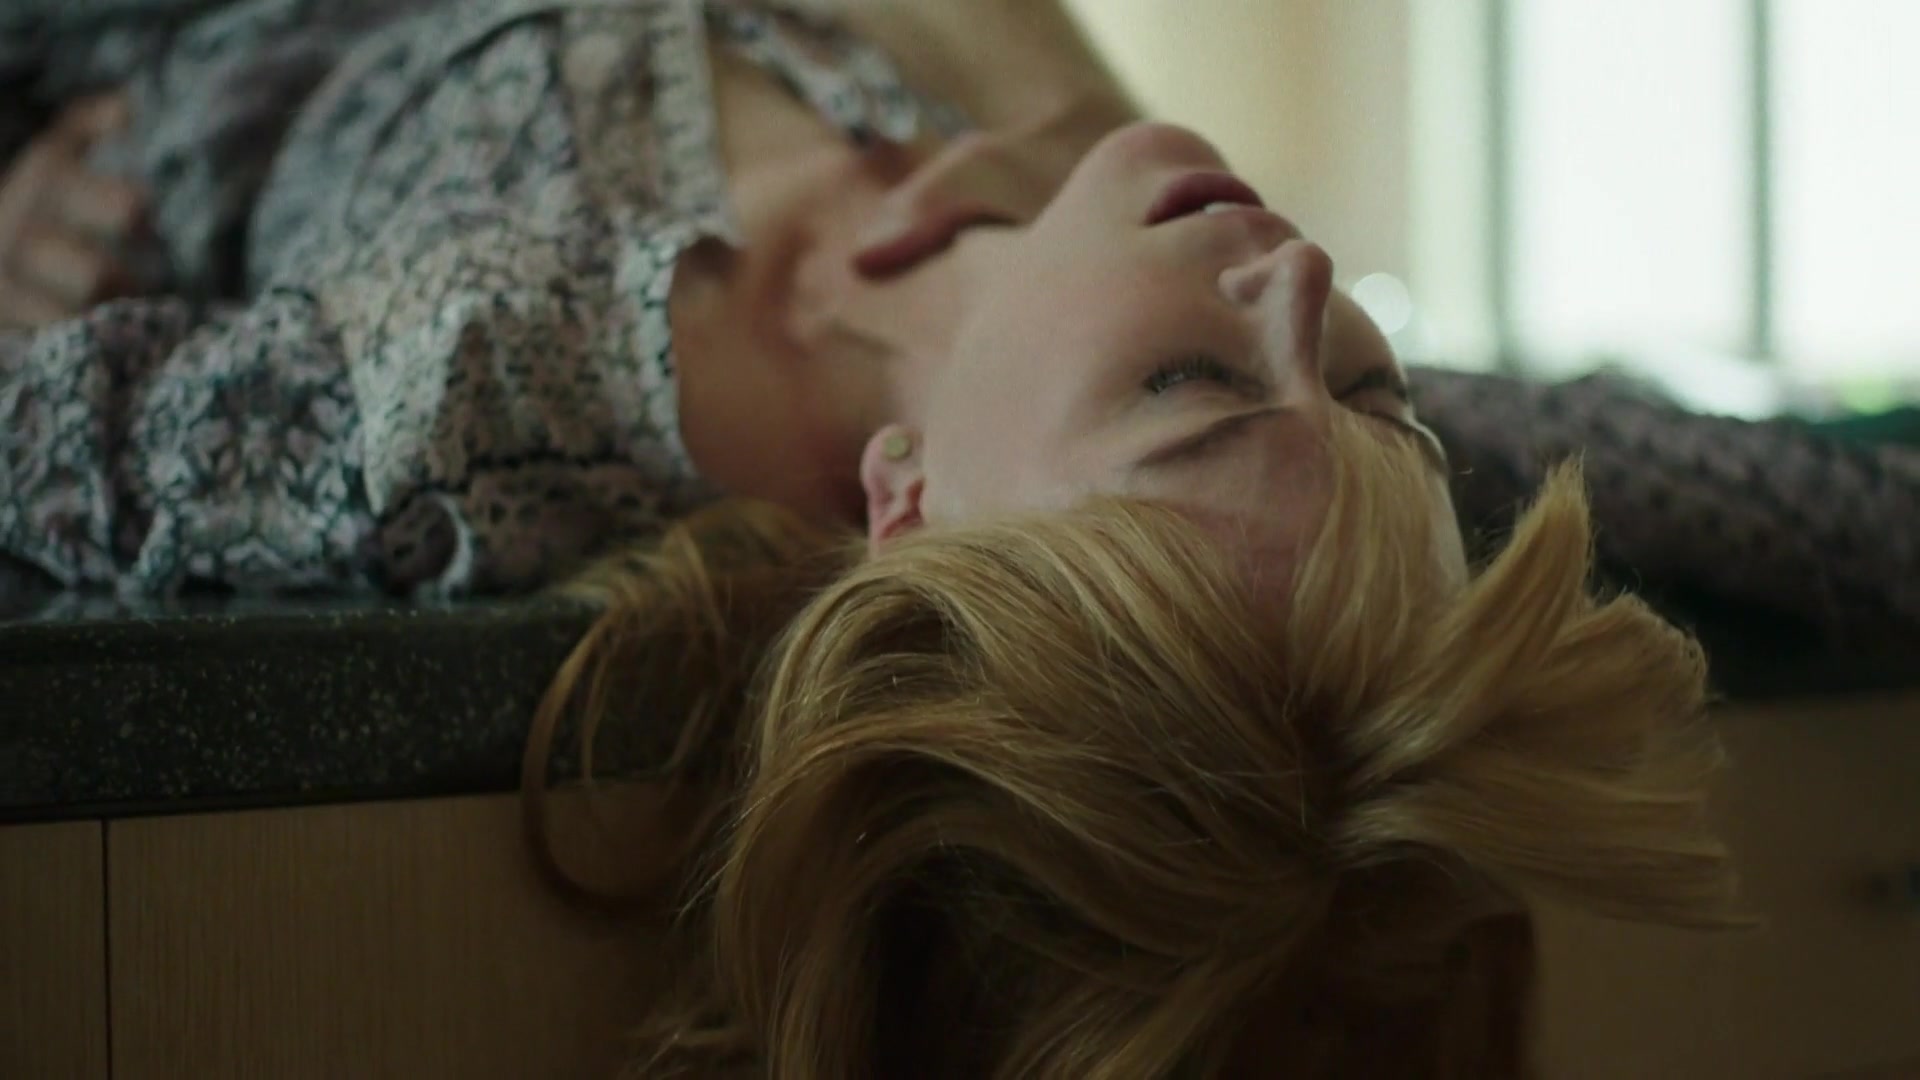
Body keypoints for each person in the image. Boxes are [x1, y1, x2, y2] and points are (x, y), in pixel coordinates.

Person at [0, 0, 1894, 1073]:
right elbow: (1834, 507)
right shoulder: (1210, 352)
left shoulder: (463, 412)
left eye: (1189, 388)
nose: (1310, 287)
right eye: (1378, 397)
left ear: (907, 517)